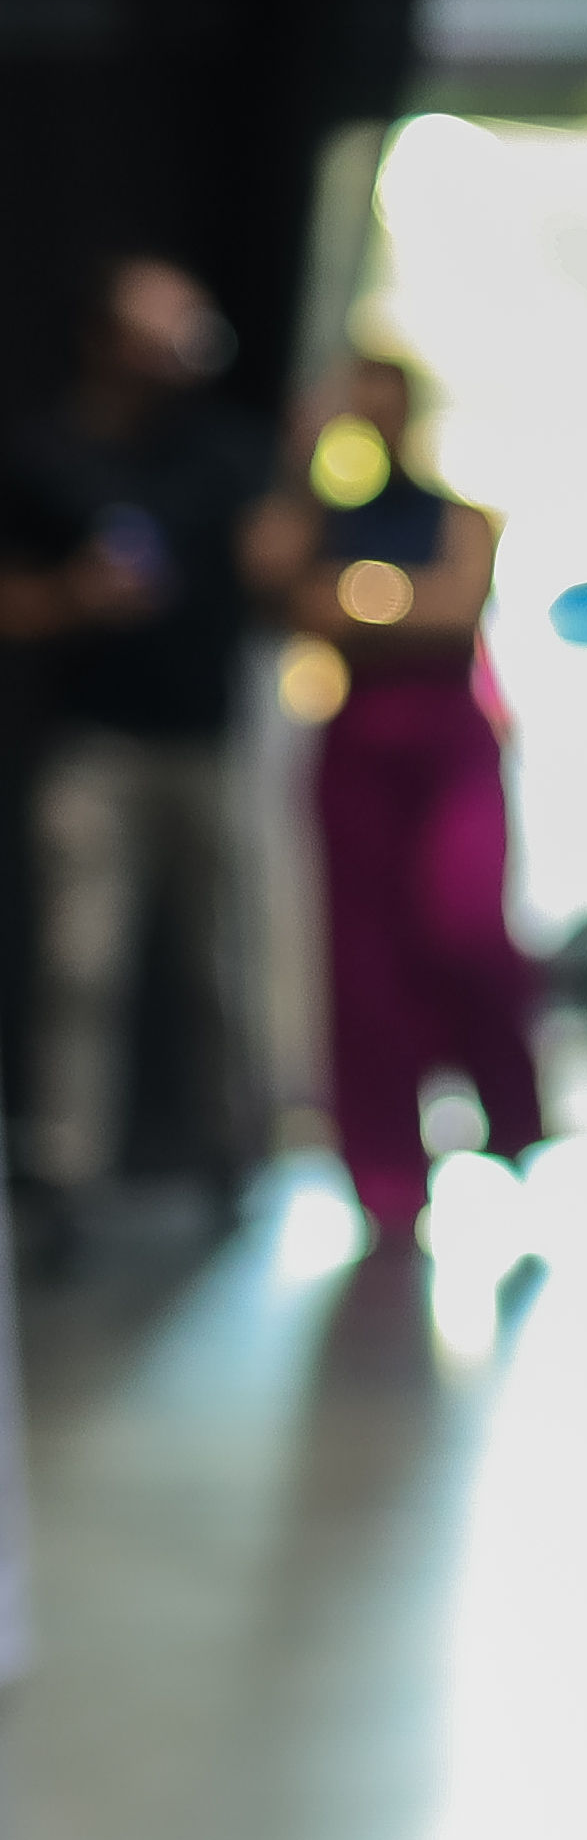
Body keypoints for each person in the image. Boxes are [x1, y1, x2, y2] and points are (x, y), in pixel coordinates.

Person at [0, 257, 287, 1230]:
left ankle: (234, 1160)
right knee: (81, 964)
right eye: (160, 318)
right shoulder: (47, 453)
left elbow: (281, 578)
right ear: (107, 338)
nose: (182, 335)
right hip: (96, 744)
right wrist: (72, 598)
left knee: (225, 965)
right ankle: (66, 1176)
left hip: (210, 739)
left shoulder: (231, 451)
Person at [265, 351, 540, 1242]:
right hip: (357, 750)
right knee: (364, 962)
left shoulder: (456, 515)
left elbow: (454, 608)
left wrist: (360, 602)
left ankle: (514, 1127)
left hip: (446, 743)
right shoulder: (318, 520)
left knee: (466, 928)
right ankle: (387, 1172)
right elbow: (286, 592)